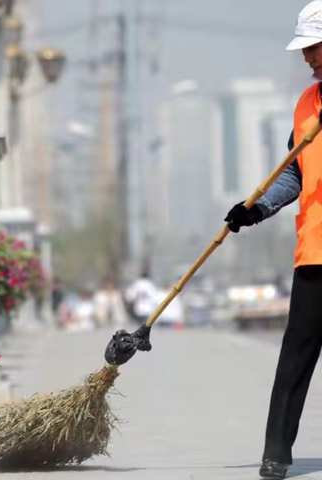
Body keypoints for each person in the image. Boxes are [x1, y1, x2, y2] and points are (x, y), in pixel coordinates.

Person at [224, 3, 322, 477]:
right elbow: (293, 175)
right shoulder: (307, 104)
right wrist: (255, 208)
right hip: (315, 252)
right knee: (295, 356)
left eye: (316, 46)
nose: (310, 57)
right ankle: (276, 454)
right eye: (306, 49)